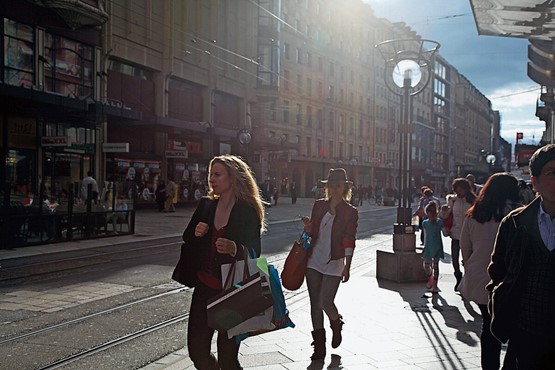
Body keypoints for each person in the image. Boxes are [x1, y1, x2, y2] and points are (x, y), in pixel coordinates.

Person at [184, 154, 266, 369]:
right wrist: (196, 232)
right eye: (211, 174)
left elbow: (255, 252)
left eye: (218, 175)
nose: (212, 179)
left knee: (228, 358)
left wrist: (235, 248)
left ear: (233, 178)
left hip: (232, 289)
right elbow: (187, 237)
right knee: (197, 351)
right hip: (204, 287)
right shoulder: (206, 206)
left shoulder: (246, 210)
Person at [487, 144, 555, 369]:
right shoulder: (515, 223)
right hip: (525, 335)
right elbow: (498, 272)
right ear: (534, 182)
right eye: (552, 173)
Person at [459, 173, 520, 370]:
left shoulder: (474, 214)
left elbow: (464, 247)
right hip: (508, 278)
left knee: (488, 325)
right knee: (516, 328)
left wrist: (469, 266)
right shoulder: (517, 216)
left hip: (478, 277)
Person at [301, 168, 358, 361]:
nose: (334, 190)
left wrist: (347, 265)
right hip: (314, 260)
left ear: (345, 188)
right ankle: (319, 347)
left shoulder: (350, 212)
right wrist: (308, 227)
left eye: (338, 186)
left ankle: (335, 322)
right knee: (314, 304)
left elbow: (349, 239)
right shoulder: (318, 206)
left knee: (325, 301)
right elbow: (313, 231)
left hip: (334, 262)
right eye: (331, 186)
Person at [443, 178, 477, 290]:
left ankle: (468, 281)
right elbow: (444, 216)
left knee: (467, 259)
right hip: (456, 234)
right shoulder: (453, 200)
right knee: (454, 258)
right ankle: (458, 276)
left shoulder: (473, 201)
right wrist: (444, 211)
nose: (459, 193)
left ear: (466, 189)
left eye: (461, 190)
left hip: (470, 235)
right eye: (457, 190)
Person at [421, 201, 444, 294]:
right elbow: (425, 236)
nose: (428, 214)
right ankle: (431, 278)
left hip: (436, 246)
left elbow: (445, 233)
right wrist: (424, 246)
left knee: (435, 266)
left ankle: (435, 285)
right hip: (430, 246)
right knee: (427, 266)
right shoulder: (425, 223)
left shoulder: (439, 222)